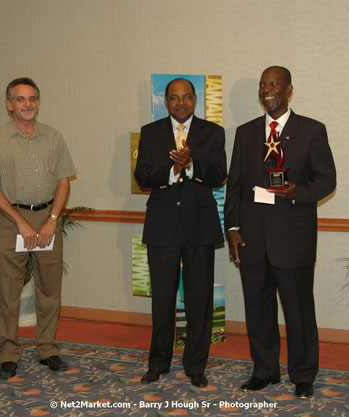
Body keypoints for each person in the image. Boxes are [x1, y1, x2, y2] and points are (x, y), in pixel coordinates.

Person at [224, 66, 336, 398]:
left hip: (293, 241)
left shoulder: (312, 131)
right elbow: (235, 187)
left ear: (289, 89)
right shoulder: (245, 133)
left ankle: (303, 374)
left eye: (273, 83)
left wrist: (297, 191)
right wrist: (232, 228)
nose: (267, 89)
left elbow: (327, 180)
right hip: (252, 240)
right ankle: (265, 370)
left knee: (299, 312)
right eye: (262, 84)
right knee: (257, 311)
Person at [0, 77, 76, 380]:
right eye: (20, 99)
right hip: (11, 221)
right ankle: (7, 353)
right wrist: (20, 222)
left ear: (38, 102)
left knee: (49, 289)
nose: (28, 104)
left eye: (32, 98)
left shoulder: (54, 137)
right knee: (8, 291)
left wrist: (52, 221)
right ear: (9, 105)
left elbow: (63, 182)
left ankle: (47, 348)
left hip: (47, 219)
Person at [134, 78, 227, 388]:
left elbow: (218, 174)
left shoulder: (213, 133)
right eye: (174, 98)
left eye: (187, 97)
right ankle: (158, 363)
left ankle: (196, 366)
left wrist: (191, 166)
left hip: (199, 227)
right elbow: (142, 175)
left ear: (196, 99)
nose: (181, 103)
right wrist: (172, 171)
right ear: (165, 101)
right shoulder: (150, 133)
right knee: (162, 301)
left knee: (200, 303)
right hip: (162, 228)